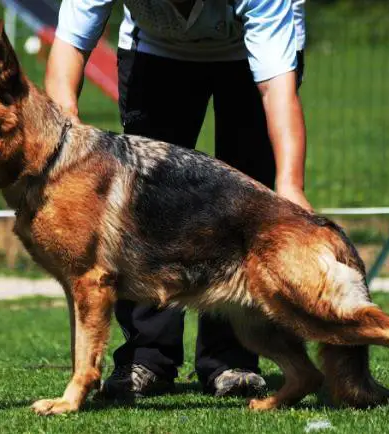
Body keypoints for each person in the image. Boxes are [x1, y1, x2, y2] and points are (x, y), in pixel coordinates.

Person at [46, 0, 309, 398]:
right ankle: (146, 359)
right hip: (156, 51)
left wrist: (290, 183)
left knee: (248, 205)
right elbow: (70, 43)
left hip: (246, 52)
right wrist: (67, 126)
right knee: (143, 206)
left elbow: (275, 87)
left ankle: (233, 361)